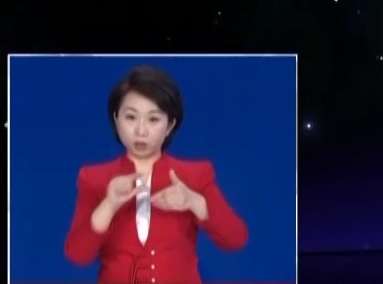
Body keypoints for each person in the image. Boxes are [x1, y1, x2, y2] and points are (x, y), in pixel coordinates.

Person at [64, 64, 249, 283]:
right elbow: (77, 254)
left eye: (153, 119)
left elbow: (235, 239)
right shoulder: (94, 178)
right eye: (131, 117)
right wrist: (109, 204)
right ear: (116, 119)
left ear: (169, 125)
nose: (141, 131)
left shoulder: (196, 174)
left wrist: (194, 202)